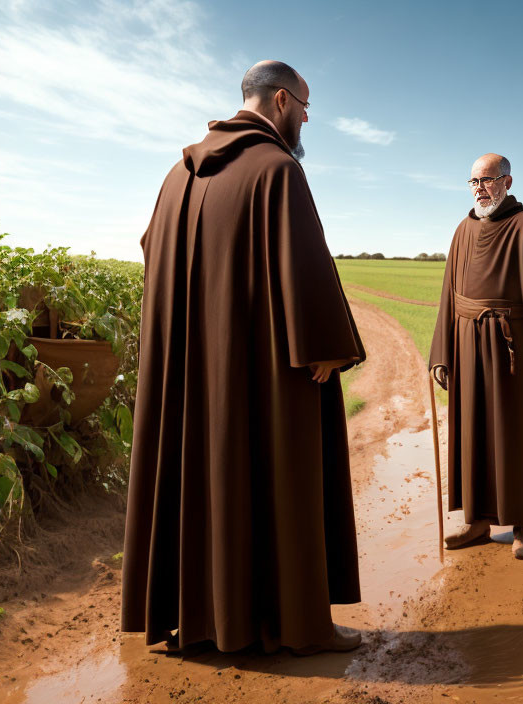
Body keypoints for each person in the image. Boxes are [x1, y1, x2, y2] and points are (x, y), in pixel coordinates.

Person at [121, 61, 366, 654]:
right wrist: (329, 348)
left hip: (189, 372)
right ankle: (294, 625)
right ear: (281, 100)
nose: (307, 117)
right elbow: (303, 263)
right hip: (263, 373)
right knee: (283, 472)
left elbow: (154, 252)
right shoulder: (277, 168)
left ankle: (198, 619)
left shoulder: (176, 176)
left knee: (200, 477)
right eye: (305, 106)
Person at [430, 153, 523, 560]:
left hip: (516, 347)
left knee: (518, 434)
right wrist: (442, 352)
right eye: (474, 181)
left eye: (488, 180)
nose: (480, 188)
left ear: (507, 182)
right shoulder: (462, 230)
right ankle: (477, 521)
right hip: (467, 345)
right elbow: (449, 296)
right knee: (473, 431)